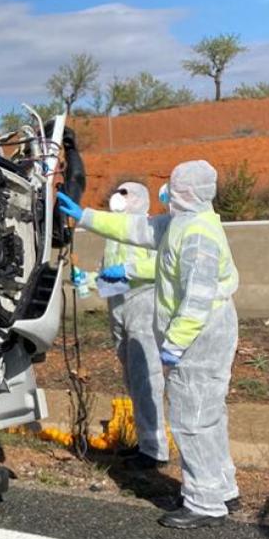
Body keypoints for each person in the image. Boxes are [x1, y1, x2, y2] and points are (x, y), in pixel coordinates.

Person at [58, 160, 240, 528]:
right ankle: (221, 488)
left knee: (193, 419)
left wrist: (174, 343)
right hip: (199, 332)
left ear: (188, 191)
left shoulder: (198, 236)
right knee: (207, 414)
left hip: (202, 334)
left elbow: (197, 298)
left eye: (174, 186)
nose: (168, 192)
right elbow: (137, 228)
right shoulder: (181, 224)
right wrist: (87, 216)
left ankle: (205, 502)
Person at [96, 182, 168, 470]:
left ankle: (155, 450)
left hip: (143, 302)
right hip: (118, 304)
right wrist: (92, 279)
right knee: (131, 375)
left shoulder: (150, 228)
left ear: (139, 199)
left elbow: (162, 264)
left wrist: (128, 271)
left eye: (125, 194)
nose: (118, 197)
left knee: (146, 375)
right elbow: (109, 268)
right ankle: (145, 442)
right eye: (118, 192)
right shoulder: (114, 231)